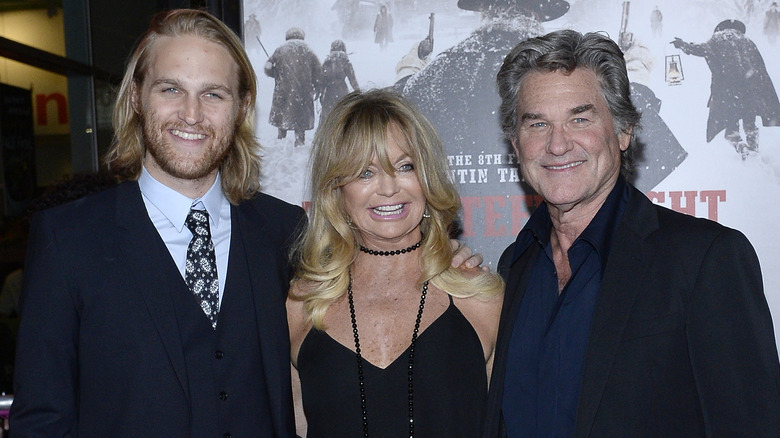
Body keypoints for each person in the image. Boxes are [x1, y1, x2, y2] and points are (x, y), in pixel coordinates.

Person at [10, 9, 306, 437]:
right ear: (136, 96)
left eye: (214, 94)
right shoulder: (67, 239)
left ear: (241, 107)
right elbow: (41, 420)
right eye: (171, 89)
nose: (191, 114)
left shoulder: (285, 230)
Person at [484, 29, 780, 437]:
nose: (556, 144)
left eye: (580, 118)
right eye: (537, 124)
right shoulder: (515, 264)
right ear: (515, 145)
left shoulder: (705, 258)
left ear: (623, 131)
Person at [287, 89, 504, 437]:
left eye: (405, 167)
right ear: (336, 190)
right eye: (364, 172)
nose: (388, 188)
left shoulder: (482, 300)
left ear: (427, 177)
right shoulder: (301, 306)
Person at [672, 20, 780, 159]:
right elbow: (759, 66)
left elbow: (702, 49)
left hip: (729, 88)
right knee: (749, 117)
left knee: (731, 119)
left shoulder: (718, 37)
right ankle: (753, 148)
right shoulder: (747, 40)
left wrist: (684, 45)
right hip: (750, 86)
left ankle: (739, 144)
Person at [264, 27, 321, 146]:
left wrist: (276, 74)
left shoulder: (280, 49)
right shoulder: (308, 50)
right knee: (300, 116)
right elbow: (318, 71)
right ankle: (300, 140)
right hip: (303, 91)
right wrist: (317, 87)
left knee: (282, 115)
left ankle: (281, 138)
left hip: (283, 90)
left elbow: (267, 68)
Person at [319, 40, 359, 125]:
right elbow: (352, 79)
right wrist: (357, 91)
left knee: (327, 116)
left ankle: (325, 134)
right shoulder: (345, 61)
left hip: (329, 92)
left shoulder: (327, 61)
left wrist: (321, 93)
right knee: (343, 113)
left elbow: (322, 79)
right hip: (342, 90)